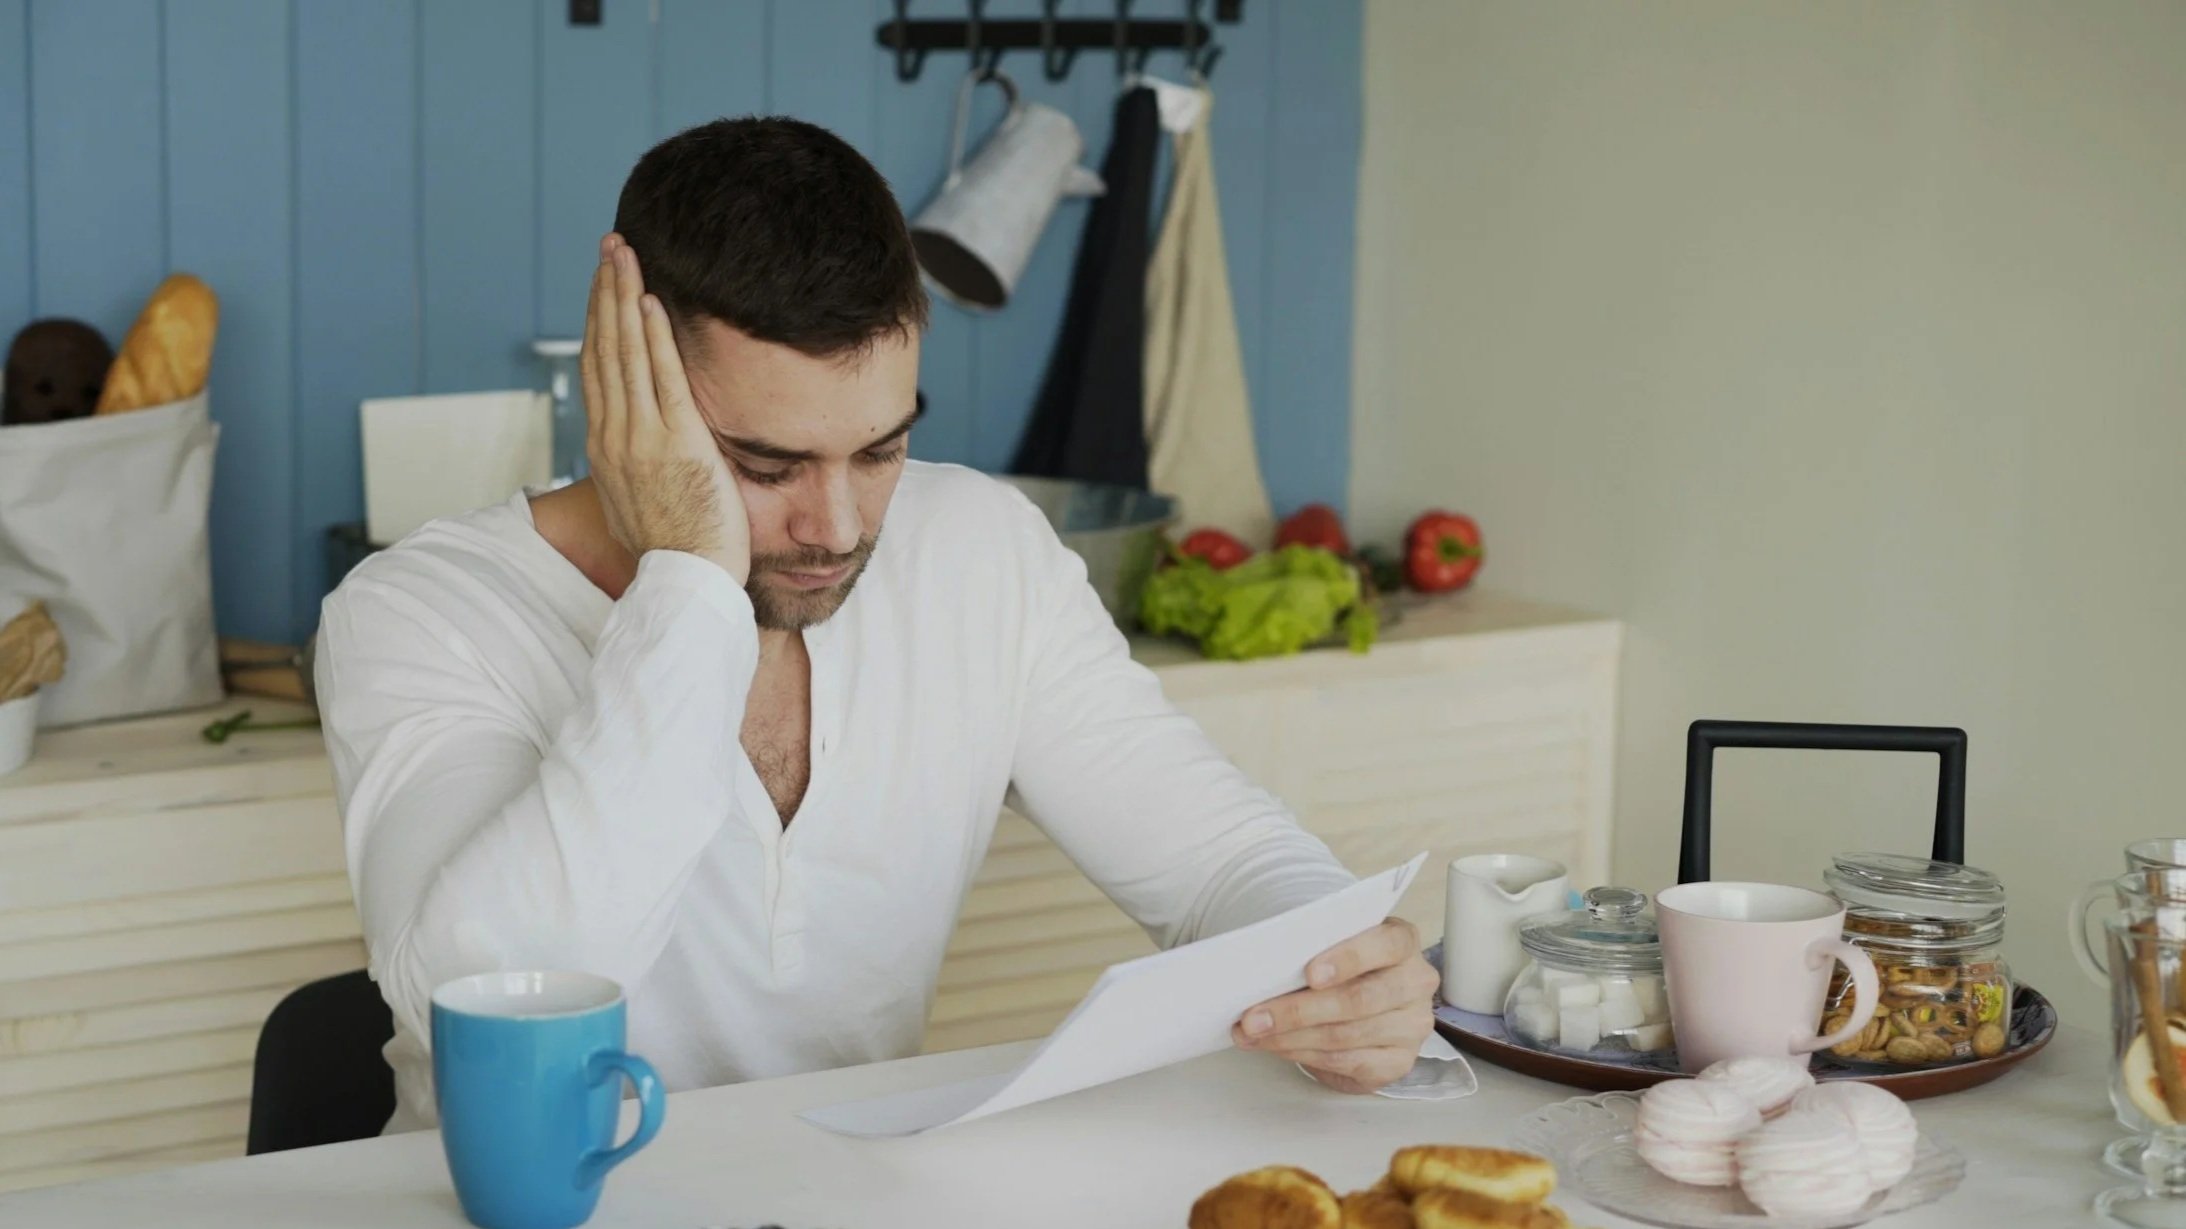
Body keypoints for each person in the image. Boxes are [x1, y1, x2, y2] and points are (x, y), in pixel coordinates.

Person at [315, 116, 1437, 1131]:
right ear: (627, 393)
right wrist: (689, 578)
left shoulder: (981, 551)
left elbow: (1217, 863)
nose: (836, 525)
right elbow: (492, 995)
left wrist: (1338, 967)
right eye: (763, 463)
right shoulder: (419, 612)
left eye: (881, 448)